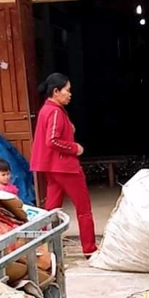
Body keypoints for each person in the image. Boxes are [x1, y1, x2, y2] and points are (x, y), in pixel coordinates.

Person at [30, 73, 98, 258]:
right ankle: (90, 249)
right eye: (67, 90)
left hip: (52, 168)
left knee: (51, 210)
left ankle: (43, 247)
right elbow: (52, 140)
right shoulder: (55, 111)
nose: (70, 94)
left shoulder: (47, 109)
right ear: (56, 91)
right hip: (65, 166)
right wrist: (75, 148)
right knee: (84, 209)